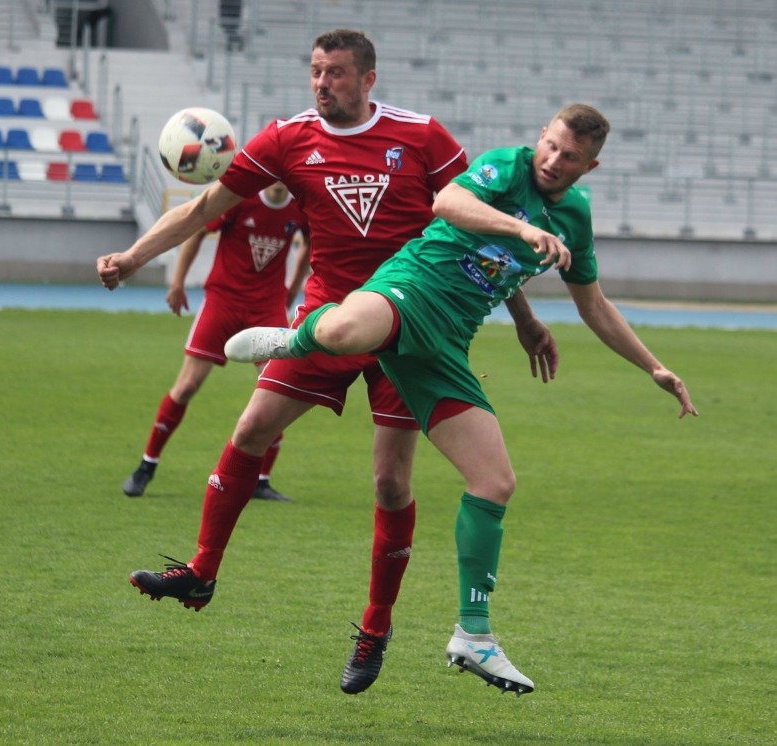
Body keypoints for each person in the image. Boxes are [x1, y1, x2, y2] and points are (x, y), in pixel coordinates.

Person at [97, 28, 557, 697]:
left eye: (336, 73)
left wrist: (526, 319)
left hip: (413, 327)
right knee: (252, 428)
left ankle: (375, 627)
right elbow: (206, 205)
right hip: (328, 318)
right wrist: (134, 258)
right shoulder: (286, 139)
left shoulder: (422, 137)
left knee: (390, 484)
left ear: (369, 79)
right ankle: (201, 572)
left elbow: (478, 226)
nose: (322, 83)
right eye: (315, 71)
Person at [224, 103, 699, 696]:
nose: (553, 160)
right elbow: (446, 203)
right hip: (411, 288)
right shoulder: (507, 168)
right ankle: (293, 338)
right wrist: (521, 228)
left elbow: (594, 305)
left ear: (591, 165)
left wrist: (654, 366)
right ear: (540, 136)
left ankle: (473, 634)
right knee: (343, 332)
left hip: (447, 341)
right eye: (550, 145)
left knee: (494, 481)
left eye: (569, 156)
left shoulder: (574, 216)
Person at [121, 182, 310, 502]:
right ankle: (146, 467)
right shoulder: (243, 198)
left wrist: (293, 286)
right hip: (223, 300)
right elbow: (197, 232)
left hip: (266, 306)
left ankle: (261, 480)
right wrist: (178, 282)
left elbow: (310, 244)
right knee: (186, 386)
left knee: (279, 390)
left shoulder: (299, 207)